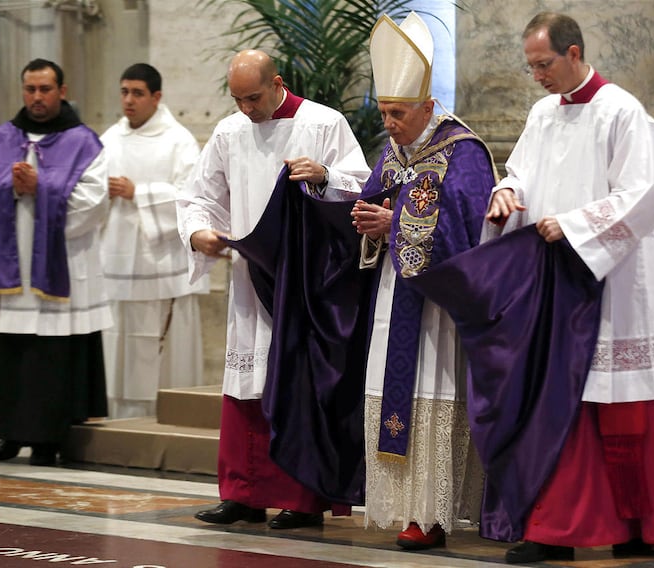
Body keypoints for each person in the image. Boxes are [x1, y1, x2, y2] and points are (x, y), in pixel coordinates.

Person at [484, 12, 654, 562]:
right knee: (556, 399)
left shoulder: (624, 113)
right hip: (552, 280)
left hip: (609, 283)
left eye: (544, 64)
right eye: (531, 65)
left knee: (606, 400)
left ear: (574, 52)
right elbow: (522, 172)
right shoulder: (542, 114)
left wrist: (576, 225)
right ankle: (556, 528)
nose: (537, 75)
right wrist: (506, 193)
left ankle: (632, 525)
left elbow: (642, 195)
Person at [177, 50, 371, 529]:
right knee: (246, 386)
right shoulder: (228, 132)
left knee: (295, 384)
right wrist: (198, 231)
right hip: (249, 278)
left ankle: (298, 499)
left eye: (254, 97)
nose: (246, 108)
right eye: (238, 99)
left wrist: (327, 177)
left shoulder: (324, 124)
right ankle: (242, 493)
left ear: (277, 82)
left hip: (305, 282)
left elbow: (363, 187)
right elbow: (199, 195)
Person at [350, 12, 492, 550]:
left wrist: (397, 224)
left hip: (438, 304)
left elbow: (469, 225)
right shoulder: (393, 151)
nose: (389, 123)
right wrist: (369, 223)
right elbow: (376, 197)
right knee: (392, 394)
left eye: (399, 113)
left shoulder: (465, 150)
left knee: (433, 396)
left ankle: (432, 515)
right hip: (395, 295)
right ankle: (401, 506)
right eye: (384, 112)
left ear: (429, 107)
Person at [0, 58, 110, 466]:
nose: (37, 97)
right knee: (7, 355)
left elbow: (94, 203)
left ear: (62, 91)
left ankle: (47, 440)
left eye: (45, 89)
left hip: (57, 274)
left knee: (49, 362)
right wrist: (9, 189)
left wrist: (40, 187)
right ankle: (7, 436)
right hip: (8, 279)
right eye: (30, 89)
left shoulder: (84, 142)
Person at [99, 63, 208, 418]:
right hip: (115, 260)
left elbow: (192, 197)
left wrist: (139, 193)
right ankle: (116, 413)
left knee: (159, 348)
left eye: (137, 93)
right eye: (124, 92)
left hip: (161, 265)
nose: (128, 100)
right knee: (118, 342)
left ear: (156, 97)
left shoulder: (179, 141)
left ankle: (164, 414)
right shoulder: (108, 140)